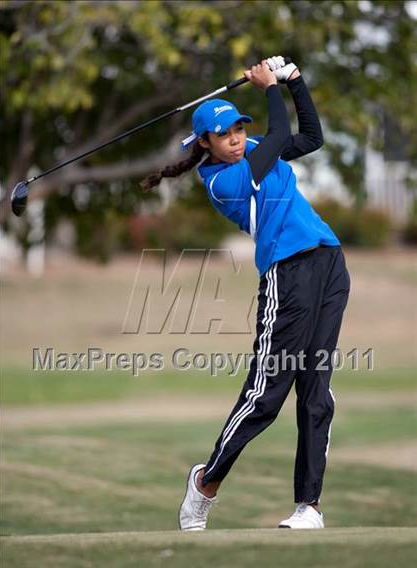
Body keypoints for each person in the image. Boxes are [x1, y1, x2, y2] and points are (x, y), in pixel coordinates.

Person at [140, 56, 351, 530]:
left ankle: (308, 507)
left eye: (239, 129)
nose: (236, 139)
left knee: (317, 392)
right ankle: (205, 482)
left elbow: (310, 138)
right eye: (225, 135)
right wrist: (268, 87)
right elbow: (277, 137)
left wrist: (294, 82)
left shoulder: (253, 149)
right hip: (286, 274)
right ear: (205, 144)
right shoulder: (224, 180)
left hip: (329, 263)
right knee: (266, 395)